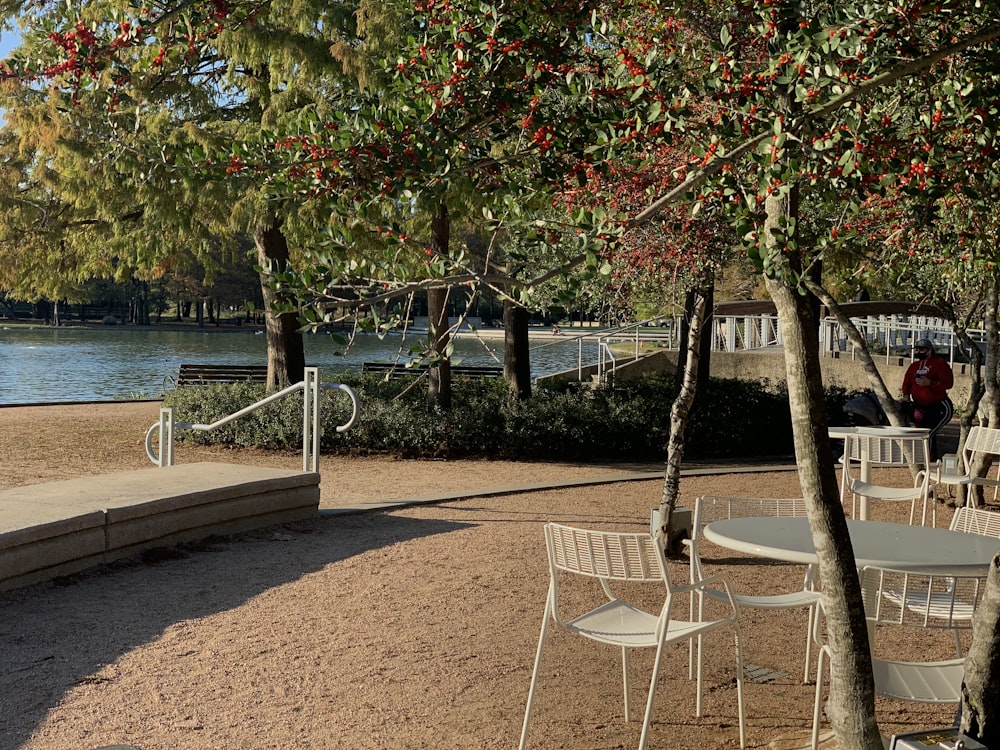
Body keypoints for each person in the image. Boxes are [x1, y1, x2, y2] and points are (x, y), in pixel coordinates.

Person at [901, 338, 954, 460]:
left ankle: (927, 462)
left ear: (929, 350)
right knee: (921, 431)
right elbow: (906, 383)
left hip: (939, 406)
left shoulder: (939, 364)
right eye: (917, 349)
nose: (919, 351)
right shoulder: (914, 366)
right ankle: (928, 459)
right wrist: (906, 396)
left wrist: (930, 383)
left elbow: (948, 383)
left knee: (928, 433)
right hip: (920, 406)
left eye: (922, 349)